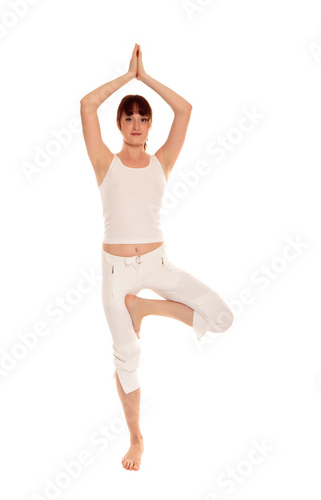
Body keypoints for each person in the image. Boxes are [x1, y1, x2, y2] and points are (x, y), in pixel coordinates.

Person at [80, 43, 234, 472]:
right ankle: (136, 439)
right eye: (128, 116)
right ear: (119, 123)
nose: (135, 123)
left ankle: (147, 307)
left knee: (221, 318)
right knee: (127, 359)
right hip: (115, 276)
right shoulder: (104, 163)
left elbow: (184, 111)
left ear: (149, 125)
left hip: (157, 265)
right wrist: (125, 79)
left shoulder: (161, 161)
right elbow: (86, 104)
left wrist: (145, 78)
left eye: (142, 117)